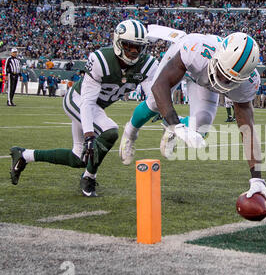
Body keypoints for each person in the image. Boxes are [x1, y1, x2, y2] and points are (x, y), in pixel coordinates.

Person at [119, 32, 266, 209]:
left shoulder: (248, 83)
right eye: (223, 73)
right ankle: (130, 133)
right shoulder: (196, 49)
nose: (223, 81)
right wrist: (175, 124)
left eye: (231, 79)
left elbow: (247, 128)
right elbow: (159, 86)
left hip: (206, 72)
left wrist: (257, 178)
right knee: (155, 103)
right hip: (192, 65)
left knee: (203, 123)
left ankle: (173, 130)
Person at [9, 20, 157, 197]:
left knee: (78, 158)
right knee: (110, 131)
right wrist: (89, 135)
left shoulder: (148, 65)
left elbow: (153, 96)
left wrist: (163, 112)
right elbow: (87, 102)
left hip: (95, 107)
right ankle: (89, 178)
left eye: (138, 47)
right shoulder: (101, 60)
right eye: (129, 45)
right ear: (118, 42)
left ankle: (25, 155)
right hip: (78, 100)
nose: (134, 52)